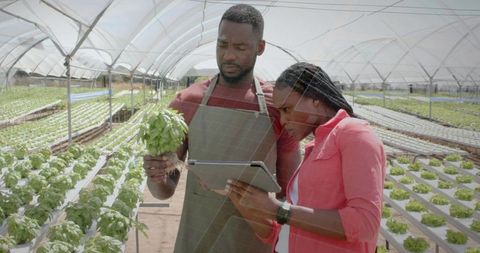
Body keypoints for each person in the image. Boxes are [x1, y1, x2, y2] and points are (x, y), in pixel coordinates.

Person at [143, 4, 301, 253]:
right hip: (198, 238)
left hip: (254, 240)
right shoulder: (187, 101)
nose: (228, 55)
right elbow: (164, 191)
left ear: (260, 48)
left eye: (240, 48)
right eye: (222, 45)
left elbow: (289, 192)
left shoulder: (277, 106)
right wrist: (156, 174)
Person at [226, 62, 386, 253]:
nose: (283, 120)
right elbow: (283, 233)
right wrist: (245, 202)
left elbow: (364, 224)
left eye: (287, 109)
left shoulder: (353, 133)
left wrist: (278, 210)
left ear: (315, 99)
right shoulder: (316, 146)